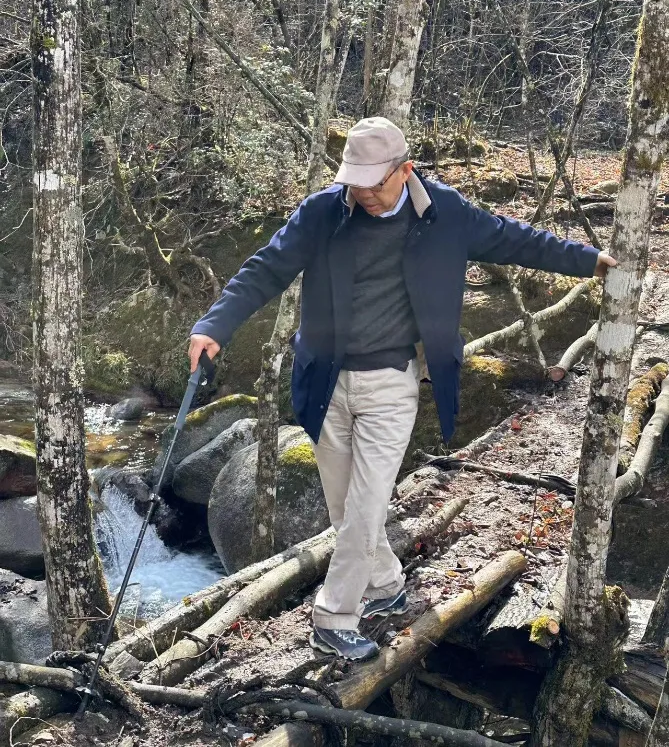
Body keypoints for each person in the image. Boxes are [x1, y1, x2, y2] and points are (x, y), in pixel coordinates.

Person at [188, 117, 616, 662]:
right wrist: (214, 326)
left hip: (391, 383)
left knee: (367, 504)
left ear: (404, 170)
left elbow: (515, 239)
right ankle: (387, 584)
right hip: (324, 379)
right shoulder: (323, 212)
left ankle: (333, 617)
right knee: (344, 507)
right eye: (354, 181)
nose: (363, 193)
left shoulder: (445, 213)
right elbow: (265, 268)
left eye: (373, 182)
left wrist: (588, 260)